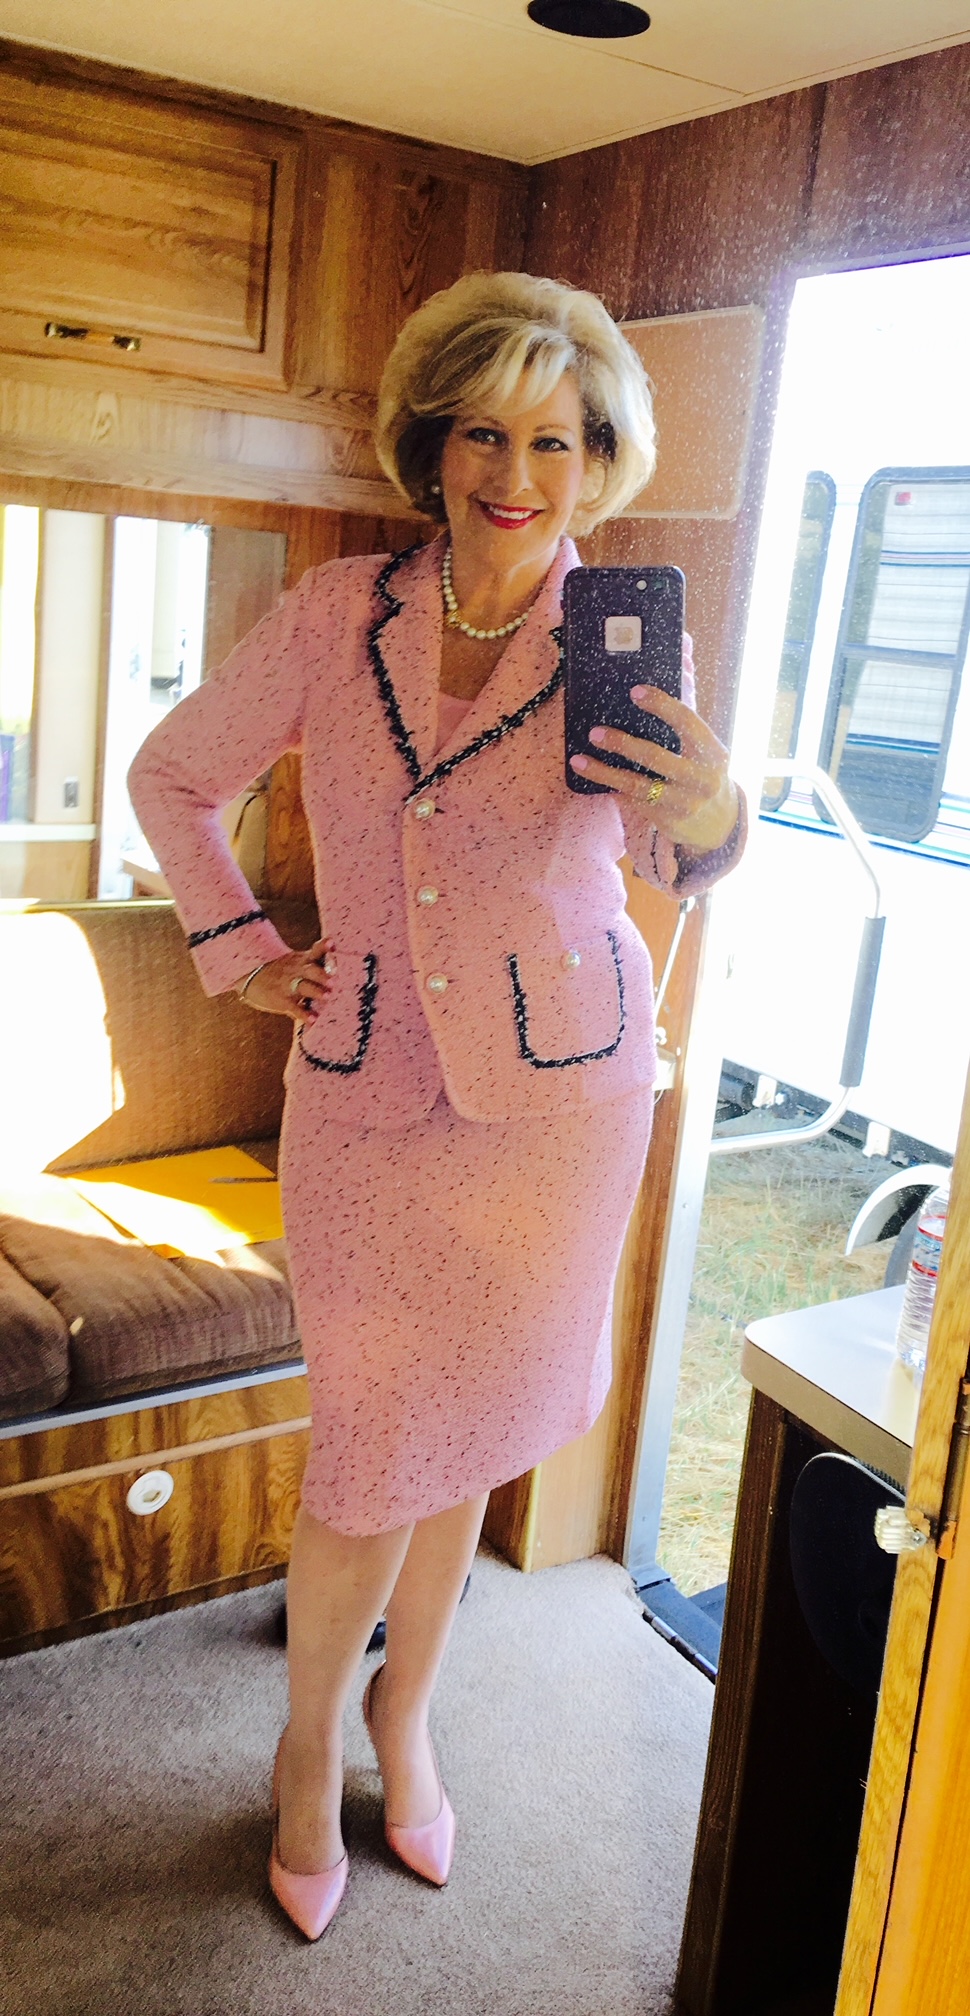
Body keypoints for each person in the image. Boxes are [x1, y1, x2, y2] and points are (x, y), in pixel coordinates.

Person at [128, 270, 746, 1941]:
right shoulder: (339, 616)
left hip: (559, 1109)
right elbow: (174, 774)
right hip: (368, 1086)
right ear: (432, 444)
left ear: (598, 461)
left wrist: (718, 807)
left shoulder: (615, 641)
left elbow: (666, 854)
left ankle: (409, 1717)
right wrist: (244, 952)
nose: (514, 473)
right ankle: (308, 1744)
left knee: (471, 1426)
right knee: (367, 1449)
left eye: (554, 440)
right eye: (482, 431)